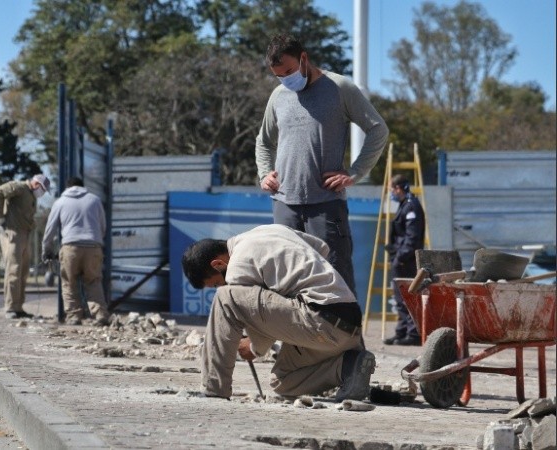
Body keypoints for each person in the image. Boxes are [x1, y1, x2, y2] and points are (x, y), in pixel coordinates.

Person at [255, 34, 389, 295]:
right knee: (286, 282)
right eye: (279, 75)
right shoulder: (278, 96)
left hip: (325, 204)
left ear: (304, 58)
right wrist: (264, 173)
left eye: (290, 71)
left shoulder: (340, 88)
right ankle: (292, 337)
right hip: (284, 204)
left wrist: (355, 172)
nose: (286, 79)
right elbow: (263, 141)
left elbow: (378, 129)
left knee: (335, 279)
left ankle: (349, 337)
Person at [181, 224, 375, 401]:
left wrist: (254, 348)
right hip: (348, 327)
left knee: (225, 297)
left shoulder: (237, 265)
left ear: (218, 264)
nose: (221, 284)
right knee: (282, 382)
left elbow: (258, 322)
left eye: (216, 282)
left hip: (319, 318)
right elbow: (321, 248)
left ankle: (214, 390)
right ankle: (346, 367)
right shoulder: (269, 230)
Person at [42, 177, 110, 326]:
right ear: (82, 186)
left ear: (67, 187)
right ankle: (100, 315)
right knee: (93, 281)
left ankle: (74, 316)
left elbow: (50, 231)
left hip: (70, 247)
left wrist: (46, 250)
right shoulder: (95, 200)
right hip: (93, 246)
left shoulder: (60, 202)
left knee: (69, 282)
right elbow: (103, 226)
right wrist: (97, 241)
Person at [0, 174, 51, 320]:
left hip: (24, 235)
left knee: (23, 272)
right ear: (37, 184)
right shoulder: (19, 187)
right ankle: (10, 307)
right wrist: (0, 216)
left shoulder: (30, 195)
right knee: (13, 270)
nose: (42, 193)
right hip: (13, 233)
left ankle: (18, 307)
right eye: (42, 189)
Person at [384, 174, 426, 346]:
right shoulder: (405, 205)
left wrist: (400, 257)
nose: (391, 193)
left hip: (406, 261)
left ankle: (413, 333)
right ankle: (402, 332)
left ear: (397, 188)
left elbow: (412, 238)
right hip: (402, 258)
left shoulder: (411, 206)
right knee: (400, 298)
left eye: (391, 189)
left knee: (407, 298)